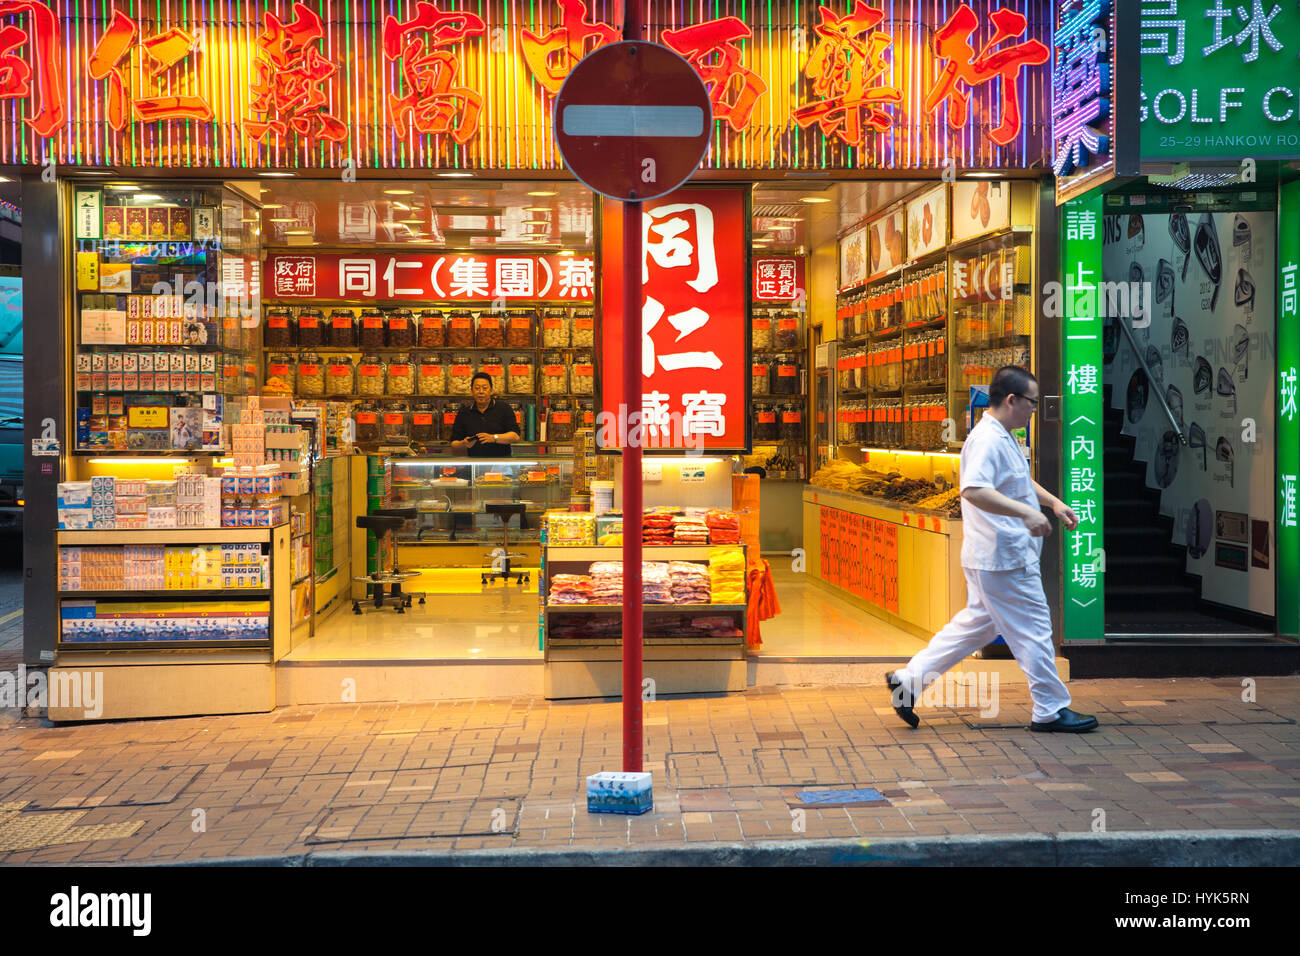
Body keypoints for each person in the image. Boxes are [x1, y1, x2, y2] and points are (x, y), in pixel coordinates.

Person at [886, 366, 1099, 733]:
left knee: (974, 628)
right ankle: (1050, 708)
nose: (1035, 409)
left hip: (994, 556)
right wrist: (1027, 512)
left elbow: (1017, 479)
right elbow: (974, 490)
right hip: (1003, 557)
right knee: (1034, 629)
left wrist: (1052, 503)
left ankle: (910, 680)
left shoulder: (1002, 435)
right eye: (1031, 402)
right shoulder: (987, 439)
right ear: (1012, 400)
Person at [450, 372, 520, 457]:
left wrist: (493, 438)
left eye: (485, 388)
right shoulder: (464, 412)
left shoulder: (504, 408)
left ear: (491, 391)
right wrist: (463, 443)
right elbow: (454, 443)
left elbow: (515, 436)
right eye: (477, 388)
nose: (481, 392)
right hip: (474, 463)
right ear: (471, 390)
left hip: (500, 463)